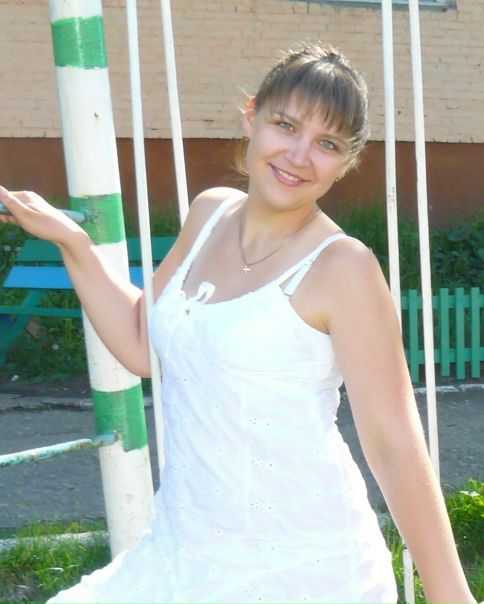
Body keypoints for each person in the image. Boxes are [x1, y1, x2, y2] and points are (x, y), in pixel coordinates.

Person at [0, 44, 479, 604]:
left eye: (327, 144)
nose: (299, 156)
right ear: (252, 117)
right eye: (286, 125)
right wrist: (73, 242)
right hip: (183, 554)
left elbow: (395, 445)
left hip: (305, 568)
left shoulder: (343, 267)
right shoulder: (209, 213)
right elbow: (140, 342)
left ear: (346, 162)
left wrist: (451, 597)